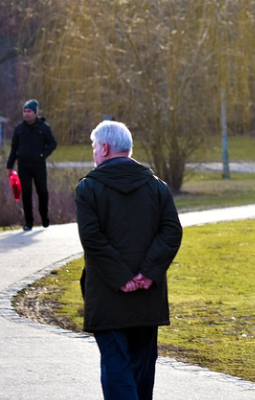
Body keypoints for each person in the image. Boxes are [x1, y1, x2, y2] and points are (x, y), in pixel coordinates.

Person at [75, 120, 182, 400]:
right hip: (148, 296)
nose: (94, 152)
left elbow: (93, 239)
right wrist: (147, 274)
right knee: (141, 368)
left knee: (116, 367)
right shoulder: (157, 187)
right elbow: (171, 232)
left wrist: (123, 278)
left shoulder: (88, 188)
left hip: (107, 295)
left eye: (94, 146)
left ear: (105, 148)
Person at [6, 99, 57, 231]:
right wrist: (9, 166)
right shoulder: (19, 129)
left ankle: (44, 217)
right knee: (26, 193)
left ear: (35, 113)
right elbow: (14, 148)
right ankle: (29, 222)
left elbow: (52, 144)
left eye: (29, 111)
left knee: (42, 192)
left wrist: (42, 155)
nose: (26, 114)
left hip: (39, 166)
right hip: (23, 166)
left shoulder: (44, 128)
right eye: (25, 111)